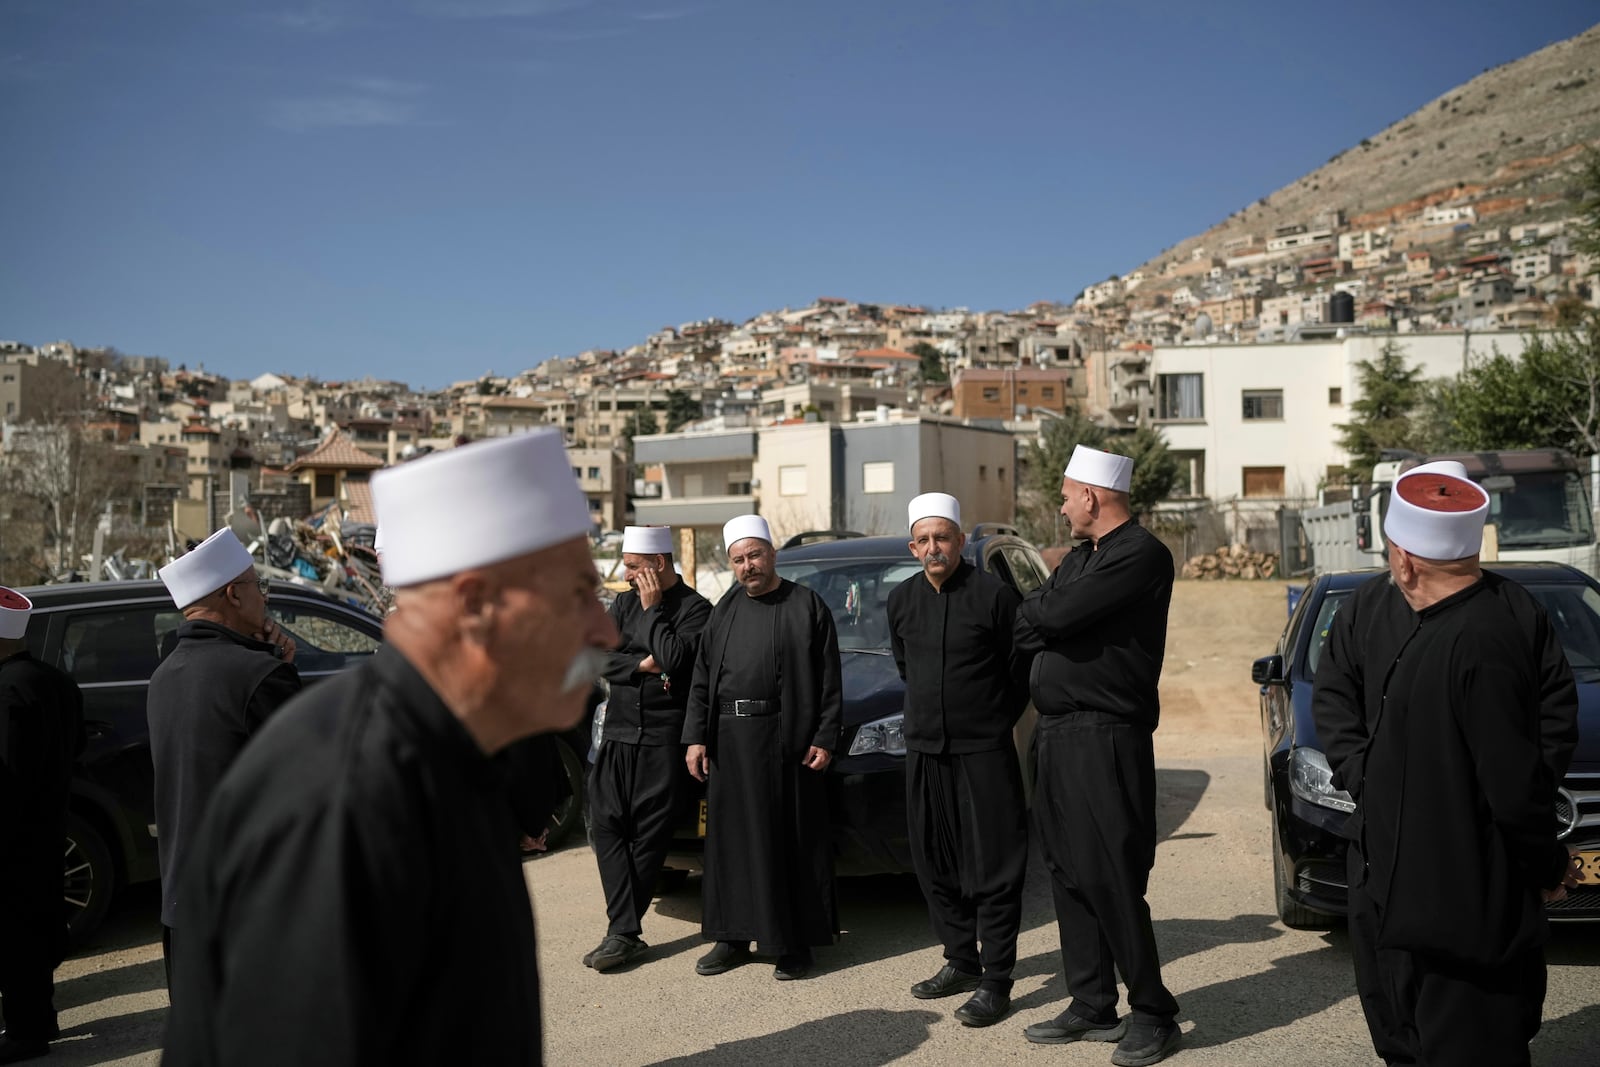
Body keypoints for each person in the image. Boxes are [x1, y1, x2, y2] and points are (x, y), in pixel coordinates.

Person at [162, 429, 619, 1065]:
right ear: (478, 606)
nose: (604, 630)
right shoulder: (343, 800)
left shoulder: (451, 758)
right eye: (577, 596)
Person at [1312, 462, 1579, 1067]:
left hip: (1461, 893)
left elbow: (1513, 780)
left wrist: (1545, 859)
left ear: (1404, 561)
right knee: (1403, 1019)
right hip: (1399, 864)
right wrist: (1369, 782)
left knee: (1468, 1035)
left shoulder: (1482, 634)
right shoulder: (1407, 620)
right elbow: (1340, 704)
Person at [1014, 444, 1182, 1067]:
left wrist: (1047, 616)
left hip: (1105, 734)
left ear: (1091, 494)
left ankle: (1154, 1012)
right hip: (1057, 734)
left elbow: (1051, 613)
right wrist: (1046, 616)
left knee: (1109, 871)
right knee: (1065, 870)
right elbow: (1034, 623)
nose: (1061, 508)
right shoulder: (1082, 558)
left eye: (1064, 494)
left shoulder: (1141, 554)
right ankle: (1091, 1001)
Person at [886, 493, 1032, 1028]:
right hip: (925, 751)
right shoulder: (900, 601)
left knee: (994, 865)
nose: (933, 548)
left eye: (942, 538)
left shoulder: (995, 597)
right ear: (912, 546)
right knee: (934, 861)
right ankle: (960, 959)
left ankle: (997, 979)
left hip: (983, 752)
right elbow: (907, 669)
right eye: (923, 540)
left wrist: (989, 723)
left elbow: (1020, 674)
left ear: (961, 541)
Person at [683, 514, 842, 981]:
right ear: (730, 564)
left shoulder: (806, 605)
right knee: (731, 845)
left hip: (786, 742)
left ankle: (793, 945)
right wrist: (695, 737)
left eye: (754, 555)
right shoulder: (724, 610)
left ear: (771, 554)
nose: (748, 565)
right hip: (730, 744)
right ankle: (731, 936)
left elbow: (831, 679)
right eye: (739, 559)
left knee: (787, 843)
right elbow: (700, 679)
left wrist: (824, 736)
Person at [147, 528, 302, 993]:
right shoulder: (261, 675)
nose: (265, 599)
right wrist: (281, 666)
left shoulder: (163, 676)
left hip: (180, 910)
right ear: (234, 594)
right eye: (259, 586)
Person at [585, 524, 711, 972]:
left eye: (634, 566)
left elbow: (676, 660)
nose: (625, 572)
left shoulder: (695, 610)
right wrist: (640, 665)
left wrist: (654, 611)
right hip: (618, 734)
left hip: (662, 741)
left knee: (648, 838)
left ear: (658, 565)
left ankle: (622, 933)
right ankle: (623, 928)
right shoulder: (620, 604)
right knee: (605, 827)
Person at [0, 589, 84, 1065]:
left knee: (15, 934)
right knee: (39, 921)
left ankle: (26, 1029)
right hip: (52, 824)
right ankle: (40, 1016)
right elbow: (75, 749)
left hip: (13, 834)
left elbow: (7, 775)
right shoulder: (55, 680)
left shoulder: (7, 691)